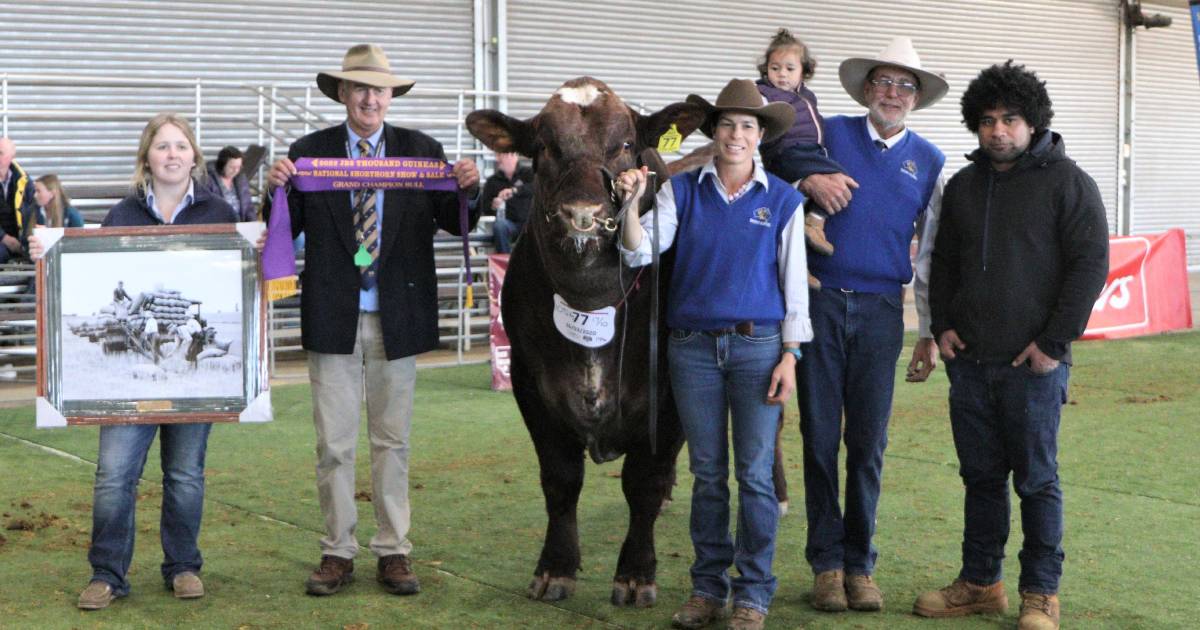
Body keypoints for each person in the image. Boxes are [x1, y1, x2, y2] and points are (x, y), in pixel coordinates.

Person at [265, 43, 480, 598]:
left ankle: (394, 551)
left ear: (390, 96)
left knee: (393, 441)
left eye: (378, 89)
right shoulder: (308, 152)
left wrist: (468, 188)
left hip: (397, 315)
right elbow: (284, 230)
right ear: (342, 93)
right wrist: (275, 191)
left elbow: (457, 223)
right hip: (334, 313)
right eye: (358, 87)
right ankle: (337, 550)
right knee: (333, 444)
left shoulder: (421, 150)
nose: (369, 97)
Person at [914, 61, 1108, 630]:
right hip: (969, 365)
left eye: (1011, 119)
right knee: (980, 479)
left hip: (1034, 368)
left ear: (1033, 122)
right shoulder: (965, 187)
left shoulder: (1069, 182)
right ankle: (980, 583)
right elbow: (943, 262)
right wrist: (943, 323)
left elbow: (1089, 267)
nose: (999, 130)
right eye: (988, 120)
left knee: (1037, 481)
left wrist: (1053, 343)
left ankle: (1040, 593)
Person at [616, 78, 812, 630]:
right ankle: (707, 589)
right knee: (707, 474)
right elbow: (640, 251)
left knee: (753, 476)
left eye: (747, 126)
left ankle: (752, 595)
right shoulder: (683, 189)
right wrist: (632, 204)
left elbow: (793, 283)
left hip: (759, 347)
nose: (736, 134)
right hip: (693, 350)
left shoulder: (782, 199)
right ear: (714, 132)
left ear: (760, 137)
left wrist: (790, 354)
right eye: (727, 124)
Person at [31, 113, 239, 611]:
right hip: (129, 381)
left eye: (181, 146)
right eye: (162, 146)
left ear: (195, 156)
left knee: (185, 474)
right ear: (146, 157)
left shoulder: (217, 211)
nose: (172, 154)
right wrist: (49, 251)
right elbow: (93, 269)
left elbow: (236, 272)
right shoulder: (123, 215)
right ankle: (107, 574)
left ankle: (184, 565)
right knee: (114, 474)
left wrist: (253, 250)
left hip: (189, 382)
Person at [793, 36, 948, 613]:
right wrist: (808, 182)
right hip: (820, 301)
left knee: (868, 443)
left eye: (905, 85)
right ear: (865, 89)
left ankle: (860, 566)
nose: (893, 93)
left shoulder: (930, 162)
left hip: (884, 309)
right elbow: (784, 186)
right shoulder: (828, 134)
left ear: (916, 98)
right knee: (816, 436)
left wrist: (926, 330)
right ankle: (826, 566)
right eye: (884, 82)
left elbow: (928, 252)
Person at [754, 28, 847, 262]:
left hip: (808, 152)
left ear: (804, 72)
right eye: (775, 68)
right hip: (787, 151)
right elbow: (754, 110)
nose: (781, 74)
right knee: (841, 178)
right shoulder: (764, 93)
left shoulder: (808, 96)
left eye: (789, 68)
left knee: (797, 207)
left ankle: (800, 262)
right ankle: (816, 221)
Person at [479, 150, 533, 253]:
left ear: (514, 156)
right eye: (497, 156)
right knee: (500, 226)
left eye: (501, 155)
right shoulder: (492, 181)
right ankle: (504, 264)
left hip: (529, 221)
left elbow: (536, 187)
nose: (498, 159)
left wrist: (515, 190)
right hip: (508, 223)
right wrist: (493, 205)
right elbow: (484, 206)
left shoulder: (527, 173)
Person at [0, 137, 39, 263]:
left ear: (12, 157)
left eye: (1, 153)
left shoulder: (24, 181)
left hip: (21, 241)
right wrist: (4, 238)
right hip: (2, 242)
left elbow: (35, 211)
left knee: (40, 256)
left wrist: (25, 241)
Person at [202, 145, 257, 221]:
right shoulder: (208, 180)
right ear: (222, 165)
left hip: (240, 224)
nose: (236, 171)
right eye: (232, 167)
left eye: (238, 167)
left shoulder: (241, 180)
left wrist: (252, 224)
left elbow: (248, 207)